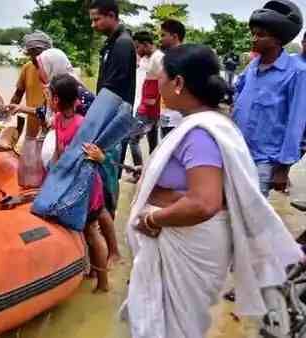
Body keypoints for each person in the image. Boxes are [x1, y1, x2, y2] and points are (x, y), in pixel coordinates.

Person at [122, 43, 303, 338]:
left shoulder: (199, 133)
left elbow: (205, 203)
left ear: (178, 83)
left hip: (191, 242)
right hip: (193, 240)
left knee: (176, 328)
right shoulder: (210, 124)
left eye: (162, 79)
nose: (158, 86)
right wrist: (155, 175)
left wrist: (153, 219)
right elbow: (207, 188)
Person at [9, 48, 123, 270]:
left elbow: (101, 134)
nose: (40, 72)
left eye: (41, 66)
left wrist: (100, 158)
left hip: (92, 164)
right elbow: (47, 114)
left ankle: (113, 253)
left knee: (99, 212)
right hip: (70, 167)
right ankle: (89, 259)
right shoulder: (60, 105)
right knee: (90, 219)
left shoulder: (83, 101)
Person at [233, 0, 306, 198]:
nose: (254, 39)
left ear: (277, 40)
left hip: (264, 160)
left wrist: (284, 167)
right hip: (237, 151)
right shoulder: (252, 67)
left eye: (261, 35)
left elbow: (296, 124)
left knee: (251, 214)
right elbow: (236, 97)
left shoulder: (297, 73)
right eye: (253, 33)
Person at [48, 73, 110, 292]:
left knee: (92, 232)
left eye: (49, 95)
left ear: (56, 99)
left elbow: (90, 162)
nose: (48, 99)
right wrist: (51, 181)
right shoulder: (57, 120)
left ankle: (103, 284)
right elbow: (58, 152)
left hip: (87, 189)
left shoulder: (82, 125)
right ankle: (93, 270)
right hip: (70, 185)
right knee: (84, 230)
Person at [89, 0, 137, 178]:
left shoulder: (123, 43)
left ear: (111, 16)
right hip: (108, 114)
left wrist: (96, 116)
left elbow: (114, 86)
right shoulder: (112, 42)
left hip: (114, 117)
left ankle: (109, 204)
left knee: (109, 167)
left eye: (97, 19)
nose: (93, 25)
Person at [129, 31, 164, 172]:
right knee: (153, 142)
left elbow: (165, 81)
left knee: (133, 138)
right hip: (146, 104)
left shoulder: (159, 58)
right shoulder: (145, 58)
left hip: (148, 108)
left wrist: (152, 102)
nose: (137, 51)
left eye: (138, 47)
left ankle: (139, 171)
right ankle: (152, 171)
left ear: (146, 44)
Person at [10, 31, 52, 141]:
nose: (33, 58)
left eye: (37, 53)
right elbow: (18, 94)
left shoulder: (56, 70)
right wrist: (8, 113)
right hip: (31, 128)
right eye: (30, 54)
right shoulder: (27, 68)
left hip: (51, 129)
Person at [159, 19, 186, 138]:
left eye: (163, 35)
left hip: (175, 116)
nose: (160, 39)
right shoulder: (168, 56)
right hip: (165, 112)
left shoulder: (183, 57)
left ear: (174, 36)